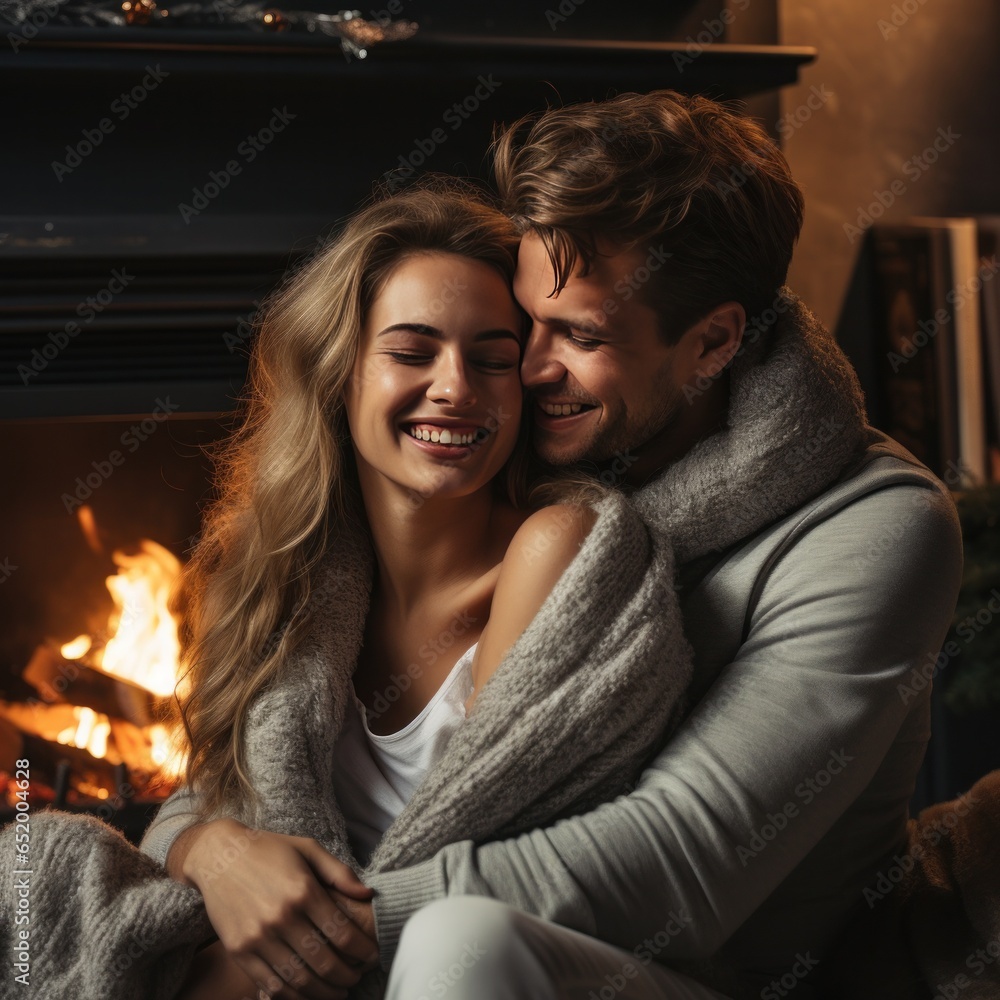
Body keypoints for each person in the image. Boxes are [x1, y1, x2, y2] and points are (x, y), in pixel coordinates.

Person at [141, 90, 964, 1000]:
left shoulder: (877, 527)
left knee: (464, 946)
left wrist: (300, 941)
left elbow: (681, 867)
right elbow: (254, 754)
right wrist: (209, 851)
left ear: (712, 343)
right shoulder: (525, 433)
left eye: (580, 335)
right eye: (526, 322)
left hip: (715, 978)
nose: (524, 368)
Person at [138, 178, 697, 1000]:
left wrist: (275, 959)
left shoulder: (555, 545)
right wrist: (215, 855)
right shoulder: (290, 580)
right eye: (411, 351)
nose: (456, 388)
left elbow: (491, 840)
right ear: (341, 373)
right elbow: (193, 806)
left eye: (492, 359)